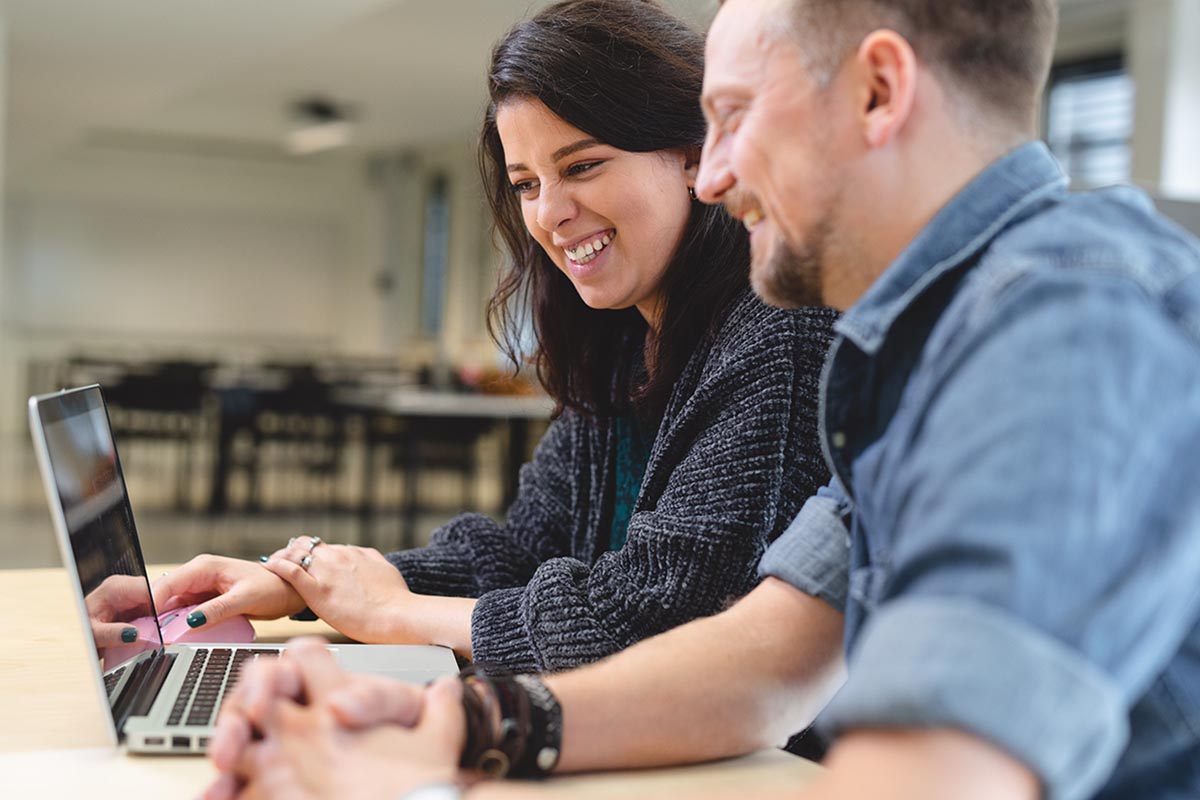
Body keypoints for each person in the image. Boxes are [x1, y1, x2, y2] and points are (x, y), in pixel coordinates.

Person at [202, 0, 1200, 798]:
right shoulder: (911, 353)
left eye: (730, 117)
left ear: (879, 91)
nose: (712, 175)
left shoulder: (1067, 318)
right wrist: (455, 730)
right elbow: (768, 658)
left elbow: (932, 767)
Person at [153, 0, 836, 673]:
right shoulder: (620, 343)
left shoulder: (780, 325)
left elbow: (665, 613)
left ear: (693, 155)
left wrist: (399, 615)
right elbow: (526, 549)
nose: (550, 213)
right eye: (526, 182)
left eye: (581, 166)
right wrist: (307, 585)